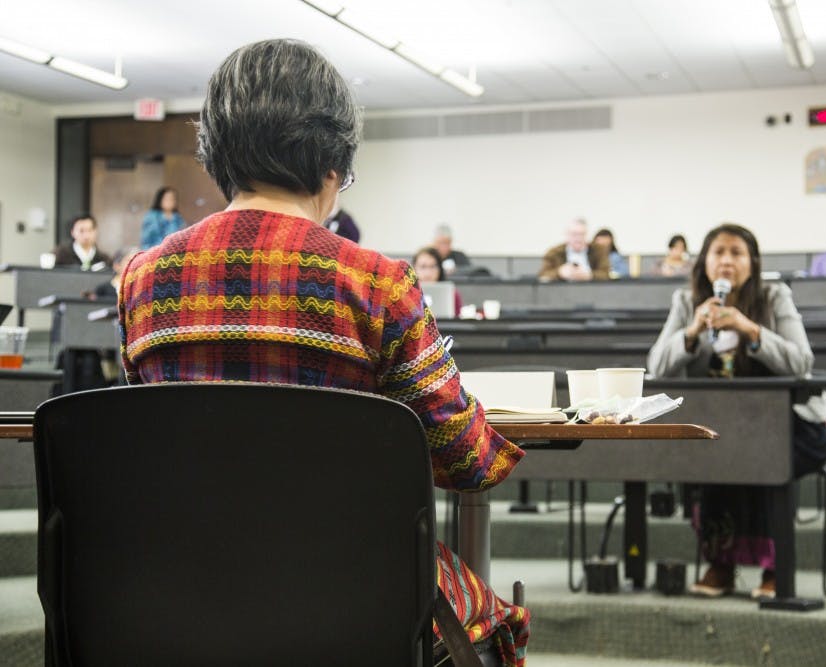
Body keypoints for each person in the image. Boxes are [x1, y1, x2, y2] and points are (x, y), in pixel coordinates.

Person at [117, 39, 529, 666]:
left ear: (216, 155)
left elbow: (147, 430)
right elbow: (465, 458)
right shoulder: (374, 282)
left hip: (181, 584)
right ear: (332, 166)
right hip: (347, 590)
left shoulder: (142, 279)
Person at [647, 223, 825, 600]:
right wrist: (692, 331)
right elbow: (658, 365)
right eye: (718, 252)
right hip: (717, 421)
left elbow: (801, 362)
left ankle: (776, 565)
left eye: (736, 253)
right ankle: (721, 563)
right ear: (704, 262)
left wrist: (750, 329)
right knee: (715, 450)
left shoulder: (775, 296)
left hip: (775, 420)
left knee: (765, 455)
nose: (727, 261)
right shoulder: (686, 301)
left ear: (752, 262)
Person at [538, 218, 610, 281]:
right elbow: (543, 275)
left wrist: (589, 275)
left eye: (582, 234)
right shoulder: (554, 253)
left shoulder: (598, 251)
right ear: (567, 235)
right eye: (574, 234)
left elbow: (606, 274)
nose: (578, 238)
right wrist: (560, 273)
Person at [413, 246, 463, 314]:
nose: (428, 273)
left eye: (433, 266)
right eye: (423, 267)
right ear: (414, 268)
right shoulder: (406, 294)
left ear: (440, 269)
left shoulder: (451, 294)